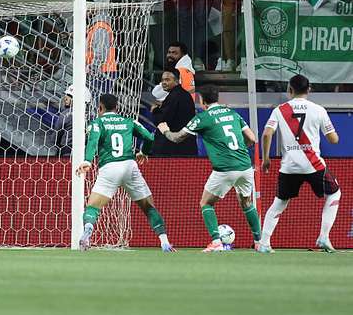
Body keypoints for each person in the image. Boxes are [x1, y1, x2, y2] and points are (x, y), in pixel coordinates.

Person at [158, 85, 263, 252]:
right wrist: (238, 150)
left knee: (206, 203)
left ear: (202, 100)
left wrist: (165, 131)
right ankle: (259, 242)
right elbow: (251, 138)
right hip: (245, 166)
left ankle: (216, 242)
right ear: (217, 98)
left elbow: (177, 138)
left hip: (225, 168)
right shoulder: (232, 113)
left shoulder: (203, 117)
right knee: (247, 202)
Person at [76, 93, 175, 252]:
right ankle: (164, 242)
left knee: (92, 207)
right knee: (148, 207)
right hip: (130, 166)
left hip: (109, 168)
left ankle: (88, 229)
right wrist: (143, 152)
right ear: (117, 107)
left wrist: (87, 161)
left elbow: (93, 141)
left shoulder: (97, 123)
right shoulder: (129, 121)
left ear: (99, 107)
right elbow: (149, 137)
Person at [260, 75, 341, 253]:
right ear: (309, 89)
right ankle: (323, 237)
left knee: (279, 202)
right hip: (313, 164)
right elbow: (333, 139)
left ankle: (264, 243)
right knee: (334, 194)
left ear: (290, 90)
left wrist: (266, 159)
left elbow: (267, 134)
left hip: (289, 166)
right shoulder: (319, 110)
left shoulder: (280, 110)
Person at [150, 69, 197, 156]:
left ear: (176, 81)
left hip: (172, 149)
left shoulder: (173, 96)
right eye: (162, 80)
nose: (164, 82)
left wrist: (155, 110)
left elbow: (162, 121)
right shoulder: (184, 94)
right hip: (186, 147)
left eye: (167, 80)